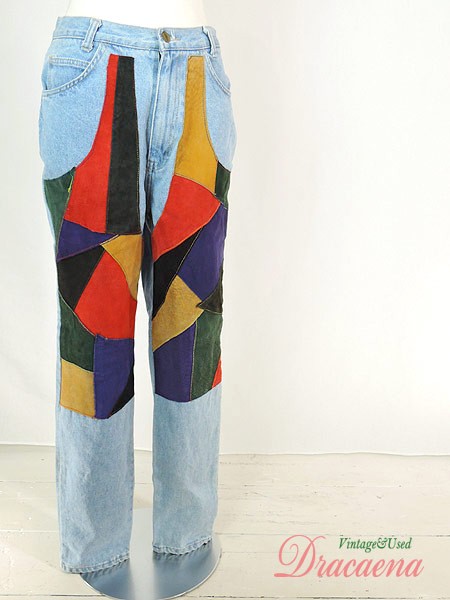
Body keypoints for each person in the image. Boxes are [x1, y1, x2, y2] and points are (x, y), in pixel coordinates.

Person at [38, 1, 237, 573]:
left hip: (196, 67)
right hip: (92, 65)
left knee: (191, 327)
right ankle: (96, 545)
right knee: (94, 326)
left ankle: (187, 534)